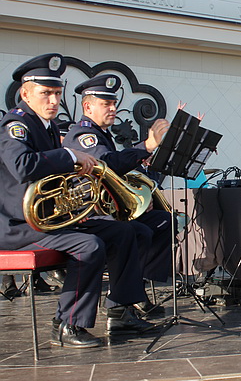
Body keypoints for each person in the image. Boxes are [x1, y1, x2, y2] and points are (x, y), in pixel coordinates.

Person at [0, 54, 154, 348]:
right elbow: (22, 166)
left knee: (123, 231)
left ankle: (120, 313)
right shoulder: (15, 125)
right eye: (46, 93)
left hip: (47, 222)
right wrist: (70, 157)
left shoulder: (43, 127)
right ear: (25, 93)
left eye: (57, 93)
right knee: (89, 246)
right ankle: (67, 323)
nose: (54, 101)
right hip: (19, 227)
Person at [63, 74, 173, 314]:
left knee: (164, 221)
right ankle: (121, 300)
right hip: (91, 213)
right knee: (139, 232)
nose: (113, 108)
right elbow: (106, 165)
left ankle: (137, 287)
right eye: (106, 104)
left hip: (109, 210)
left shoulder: (103, 135)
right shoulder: (83, 135)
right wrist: (145, 146)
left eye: (114, 103)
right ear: (87, 106)